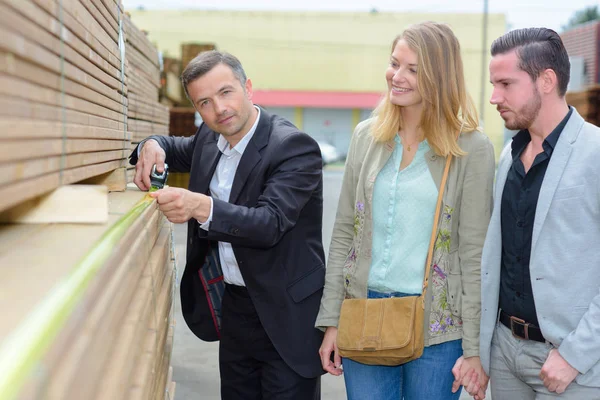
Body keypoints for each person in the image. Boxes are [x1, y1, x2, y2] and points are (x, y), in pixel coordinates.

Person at [315, 21, 495, 400]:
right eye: (395, 63)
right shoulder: (367, 137)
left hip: (439, 329)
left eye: (413, 69)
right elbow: (344, 232)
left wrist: (475, 349)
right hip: (365, 313)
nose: (397, 76)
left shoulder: (471, 149)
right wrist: (332, 321)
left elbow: (475, 253)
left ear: (439, 77)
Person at [130, 50, 325, 399]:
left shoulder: (292, 147)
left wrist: (201, 207)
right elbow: (173, 147)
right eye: (205, 102)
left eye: (226, 92)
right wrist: (151, 145)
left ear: (247, 87)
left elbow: (270, 223)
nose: (219, 108)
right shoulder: (209, 139)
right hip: (235, 310)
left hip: (286, 315)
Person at [466, 27, 600, 399]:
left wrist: (575, 355)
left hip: (572, 365)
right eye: (494, 84)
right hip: (506, 354)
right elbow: (498, 258)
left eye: (506, 84)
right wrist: (481, 348)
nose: (494, 97)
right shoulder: (509, 156)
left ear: (546, 80)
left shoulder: (596, 153)